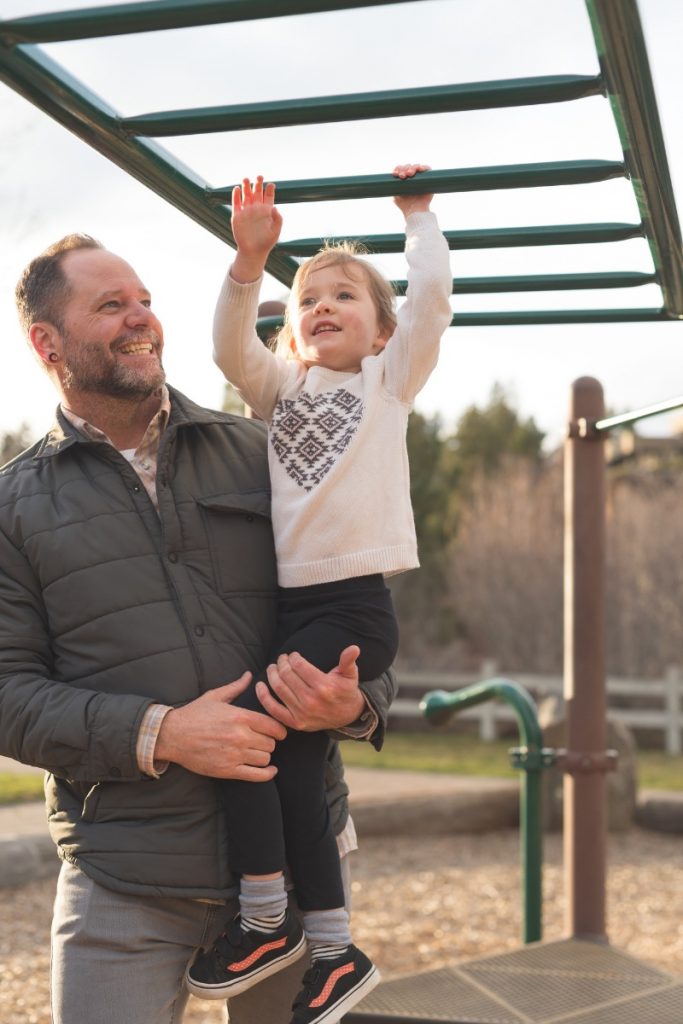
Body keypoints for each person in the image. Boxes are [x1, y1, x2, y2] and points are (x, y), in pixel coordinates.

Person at [0, 233, 398, 1024]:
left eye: (144, 299)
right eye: (110, 305)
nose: (140, 318)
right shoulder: (12, 507)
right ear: (48, 342)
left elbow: (358, 608)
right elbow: (7, 693)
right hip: (125, 875)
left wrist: (353, 706)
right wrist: (163, 732)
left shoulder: (268, 450)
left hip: (297, 856)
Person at [187, 164, 452, 1022]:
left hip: (352, 605)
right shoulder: (282, 390)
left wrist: (417, 218)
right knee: (291, 766)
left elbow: (432, 304)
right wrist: (247, 261)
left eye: (344, 297)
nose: (322, 308)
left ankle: (266, 919)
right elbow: (231, 349)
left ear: (380, 332)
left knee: (244, 735)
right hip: (298, 607)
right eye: (307, 300)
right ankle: (333, 951)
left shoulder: (387, 384)